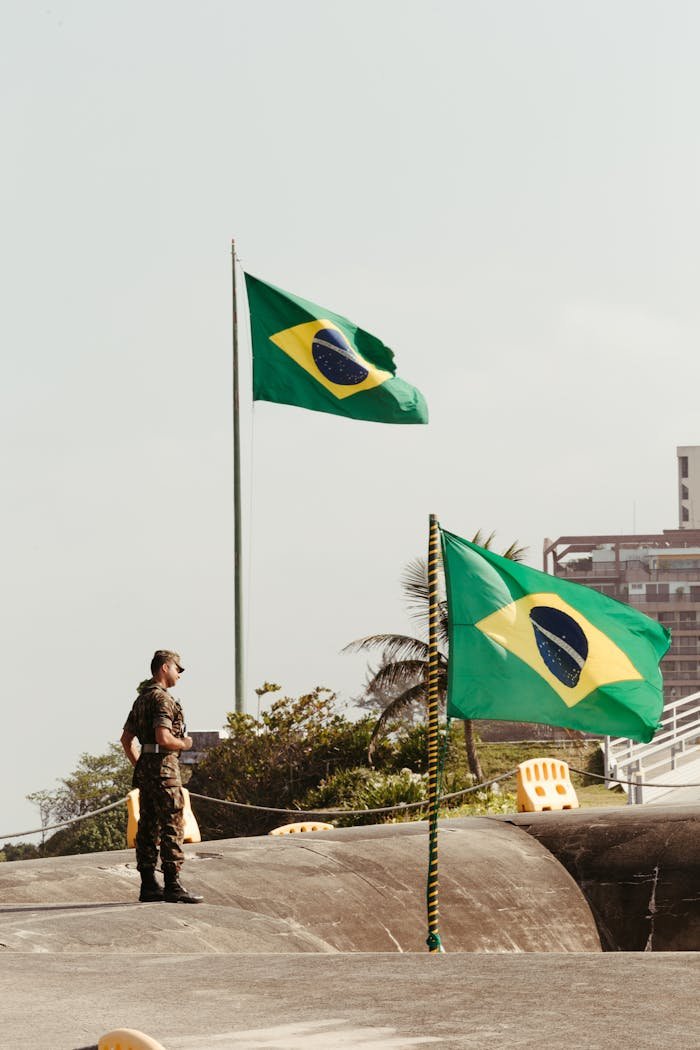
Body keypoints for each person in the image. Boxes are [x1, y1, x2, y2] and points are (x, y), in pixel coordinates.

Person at [121, 650, 203, 904]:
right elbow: (163, 738)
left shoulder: (141, 699)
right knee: (172, 823)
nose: (179, 673)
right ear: (165, 667)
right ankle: (172, 883)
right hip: (165, 770)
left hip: (147, 772)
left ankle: (148, 884)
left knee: (147, 826)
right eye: (178, 668)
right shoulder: (162, 699)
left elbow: (126, 739)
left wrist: (142, 765)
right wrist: (185, 743)